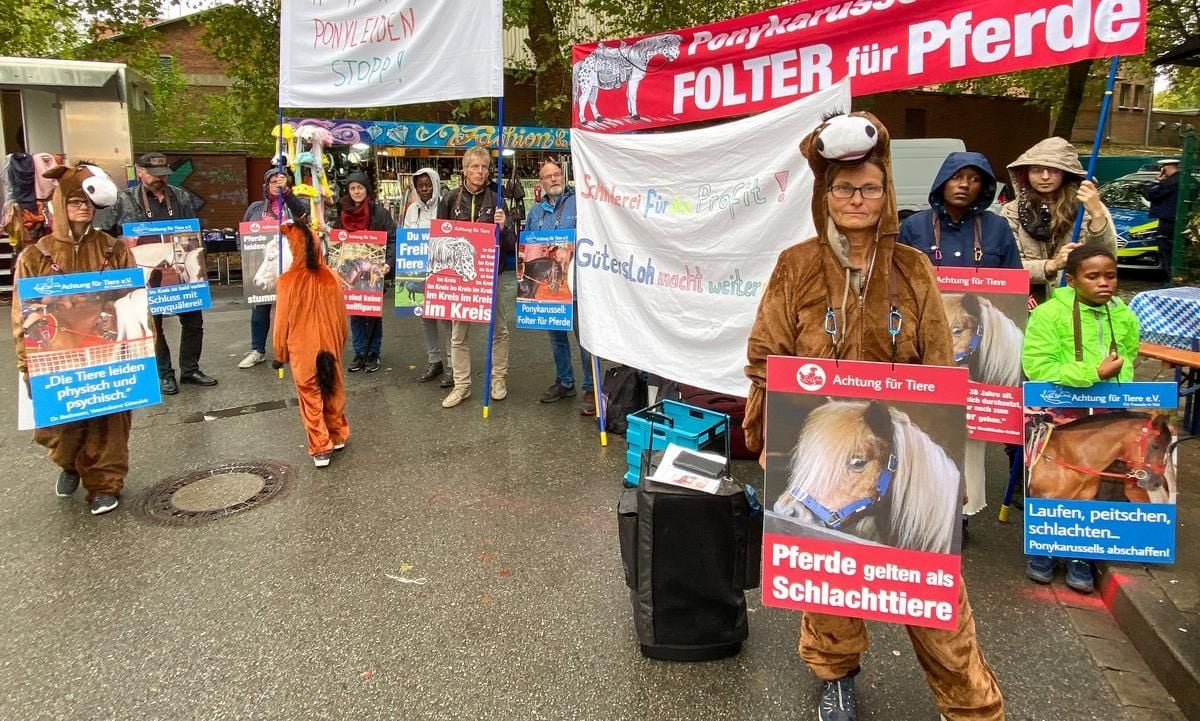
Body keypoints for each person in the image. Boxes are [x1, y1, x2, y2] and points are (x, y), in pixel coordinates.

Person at [744, 112, 1004, 721]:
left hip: (898, 457)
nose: (855, 199)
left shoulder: (913, 271)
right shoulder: (795, 266)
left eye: (868, 188)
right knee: (827, 581)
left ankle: (970, 705)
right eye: (843, 188)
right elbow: (765, 357)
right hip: (829, 457)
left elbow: (941, 368)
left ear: (886, 193)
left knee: (933, 591)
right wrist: (765, 433)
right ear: (824, 194)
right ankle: (837, 674)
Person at [899, 151, 1022, 534]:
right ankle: (927, 507)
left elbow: (1013, 285)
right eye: (958, 177)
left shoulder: (998, 229)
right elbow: (898, 284)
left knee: (970, 433)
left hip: (973, 348)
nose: (965, 185)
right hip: (925, 344)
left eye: (975, 179)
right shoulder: (915, 226)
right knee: (926, 426)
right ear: (943, 181)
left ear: (984, 187)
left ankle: (962, 514)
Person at [11, 163, 135, 515]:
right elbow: (22, 313)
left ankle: (104, 484)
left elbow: (134, 302)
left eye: (87, 202)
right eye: (74, 201)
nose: (82, 208)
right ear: (60, 205)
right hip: (58, 349)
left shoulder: (114, 249)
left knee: (111, 421)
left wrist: (142, 348)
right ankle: (69, 462)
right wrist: (26, 364)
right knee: (63, 424)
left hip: (106, 347)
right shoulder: (36, 255)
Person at [1021, 245, 1139, 593]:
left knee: (1092, 485)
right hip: (1056, 412)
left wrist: (1115, 383)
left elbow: (1128, 357)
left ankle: (1081, 555)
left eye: (1110, 276)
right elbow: (1038, 366)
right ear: (1071, 280)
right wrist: (1092, 373)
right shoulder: (1047, 315)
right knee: (1049, 482)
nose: (1104, 283)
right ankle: (1042, 549)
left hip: (1104, 413)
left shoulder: (1125, 316)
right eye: (1093, 276)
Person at [95, 152, 216, 395]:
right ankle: (165, 374)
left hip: (179, 270)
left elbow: (196, 231)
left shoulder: (181, 196)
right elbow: (104, 235)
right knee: (155, 325)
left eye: (163, 175)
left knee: (193, 322)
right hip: (144, 273)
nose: (160, 179)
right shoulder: (124, 200)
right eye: (154, 174)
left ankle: (190, 369)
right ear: (139, 171)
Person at [435, 147, 517, 409]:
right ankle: (462, 385)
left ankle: (498, 379)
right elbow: (440, 238)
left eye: (484, 167)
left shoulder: (497, 199)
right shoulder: (449, 199)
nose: (480, 171)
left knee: (499, 331)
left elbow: (511, 243)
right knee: (458, 335)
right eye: (475, 166)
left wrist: (504, 228)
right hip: (460, 279)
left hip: (489, 275)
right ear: (465, 169)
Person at [272, 220, 350, 468]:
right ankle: (337, 434)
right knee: (333, 388)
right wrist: (339, 343)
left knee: (310, 395)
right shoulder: (333, 277)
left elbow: (281, 323)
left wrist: (280, 353)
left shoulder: (287, 282)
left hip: (302, 348)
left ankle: (320, 446)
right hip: (330, 344)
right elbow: (341, 317)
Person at [1002, 137, 1116, 301]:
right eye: (1036, 170)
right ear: (1026, 174)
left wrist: (1097, 216)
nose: (1045, 176)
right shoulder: (1012, 211)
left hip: (1076, 303)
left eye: (1054, 170)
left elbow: (1106, 258)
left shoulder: (1087, 207)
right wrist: (1052, 265)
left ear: (1066, 173)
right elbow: (1009, 268)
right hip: (1028, 303)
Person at [523, 159, 596, 415]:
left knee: (585, 339)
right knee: (556, 339)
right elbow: (529, 247)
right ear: (540, 183)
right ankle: (565, 382)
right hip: (549, 288)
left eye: (557, 174)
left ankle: (592, 388)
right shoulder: (535, 213)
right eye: (548, 176)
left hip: (578, 284)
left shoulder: (581, 203)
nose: (554, 179)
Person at [239, 168, 310, 369]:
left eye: (281, 182)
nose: (277, 185)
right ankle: (257, 350)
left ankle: (293, 348)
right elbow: (243, 234)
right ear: (266, 185)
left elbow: (303, 214)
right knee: (260, 309)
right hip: (266, 266)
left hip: (291, 269)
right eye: (273, 182)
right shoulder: (254, 208)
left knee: (292, 311)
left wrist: (287, 193)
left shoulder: (294, 205)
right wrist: (243, 255)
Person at [332, 171, 396, 373]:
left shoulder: (380, 213)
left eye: (360, 187)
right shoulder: (342, 213)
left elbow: (392, 239)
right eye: (352, 188)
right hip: (349, 271)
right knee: (356, 313)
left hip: (373, 271)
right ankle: (359, 352)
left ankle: (373, 353)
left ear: (367, 189)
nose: (356, 191)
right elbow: (336, 242)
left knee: (372, 314)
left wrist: (388, 263)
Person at [404, 167, 452, 387]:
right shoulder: (411, 210)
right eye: (420, 185)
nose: (424, 189)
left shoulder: (445, 205)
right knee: (425, 318)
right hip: (419, 270)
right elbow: (406, 238)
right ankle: (435, 360)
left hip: (441, 270)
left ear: (435, 183)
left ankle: (453, 365)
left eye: (428, 184)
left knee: (446, 319)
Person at [1143, 158, 1181, 278]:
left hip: (1168, 222)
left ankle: (1172, 279)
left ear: (1164, 168)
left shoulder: (1170, 182)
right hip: (1179, 221)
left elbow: (1149, 194)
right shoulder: (1184, 180)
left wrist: (1157, 181)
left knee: (1166, 252)